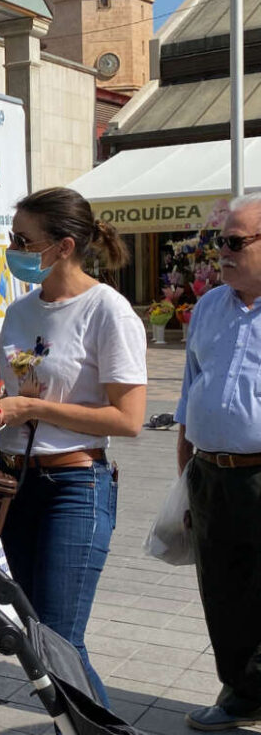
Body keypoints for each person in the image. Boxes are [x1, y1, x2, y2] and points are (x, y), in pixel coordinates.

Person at [0, 187, 147, 706]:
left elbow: (129, 419)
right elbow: (19, 394)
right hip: (16, 481)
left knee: (59, 640)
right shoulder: (21, 311)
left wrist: (36, 410)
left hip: (74, 484)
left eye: (24, 240)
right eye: (12, 239)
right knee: (39, 634)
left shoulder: (107, 311)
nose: (14, 249)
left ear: (64, 246)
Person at [175, 193, 261, 732]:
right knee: (223, 593)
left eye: (233, 243)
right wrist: (185, 477)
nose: (220, 254)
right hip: (209, 473)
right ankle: (240, 694)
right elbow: (188, 395)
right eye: (217, 242)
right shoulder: (209, 306)